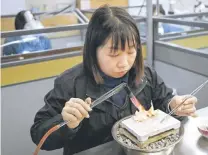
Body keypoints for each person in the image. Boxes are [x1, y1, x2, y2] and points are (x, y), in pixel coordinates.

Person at [30, 5, 197, 155]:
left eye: (131, 52)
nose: (124, 63)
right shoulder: (70, 83)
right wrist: (67, 122)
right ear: (93, 50)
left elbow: (164, 103)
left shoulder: (145, 74)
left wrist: (175, 106)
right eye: (114, 54)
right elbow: (39, 133)